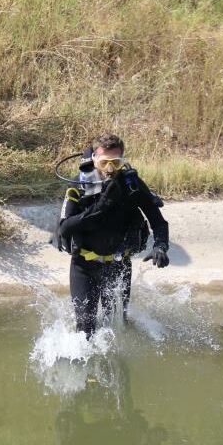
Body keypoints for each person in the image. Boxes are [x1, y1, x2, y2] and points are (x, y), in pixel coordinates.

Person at [56, 134, 170, 337]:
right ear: (94, 160)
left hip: (118, 266)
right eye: (104, 162)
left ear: (122, 161)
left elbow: (158, 221)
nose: (110, 168)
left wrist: (161, 245)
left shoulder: (131, 185)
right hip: (84, 266)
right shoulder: (80, 184)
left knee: (116, 326)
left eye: (115, 162)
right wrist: (101, 206)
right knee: (84, 329)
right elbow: (64, 227)